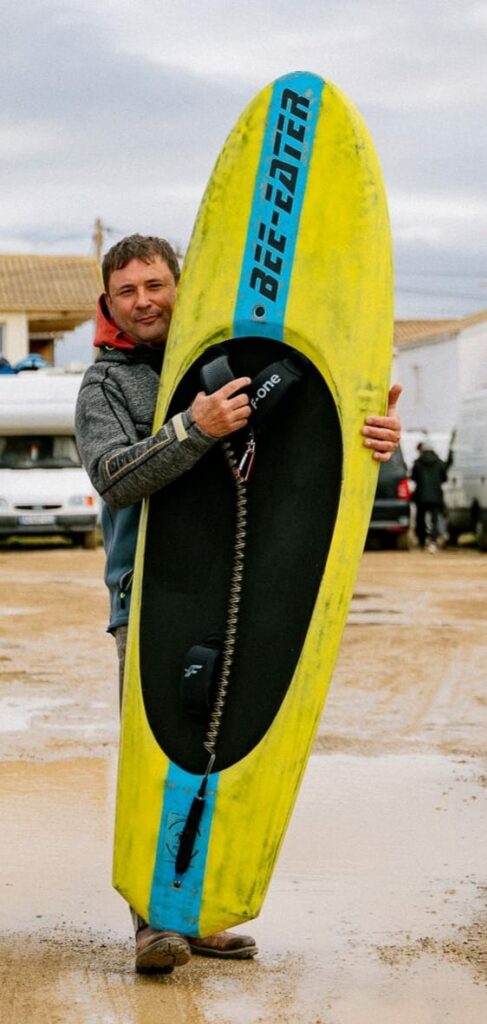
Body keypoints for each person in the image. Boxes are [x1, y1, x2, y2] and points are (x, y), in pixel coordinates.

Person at [75, 233, 402, 975]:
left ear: (178, 285)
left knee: (234, 738)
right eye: (127, 291)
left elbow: (302, 456)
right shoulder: (106, 385)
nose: (144, 301)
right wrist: (195, 427)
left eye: (155, 284)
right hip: (153, 593)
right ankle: (154, 922)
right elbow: (114, 478)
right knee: (163, 747)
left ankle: (205, 909)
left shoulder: (236, 354)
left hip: (244, 579)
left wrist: (378, 438)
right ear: (109, 301)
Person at [411, 440, 449, 552]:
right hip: (436, 496)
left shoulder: (417, 463)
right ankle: (433, 540)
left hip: (421, 496)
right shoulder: (439, 462)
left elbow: (413, 477)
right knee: (435, 519)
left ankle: (422, 541)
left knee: (420, 519)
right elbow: (445, 478)